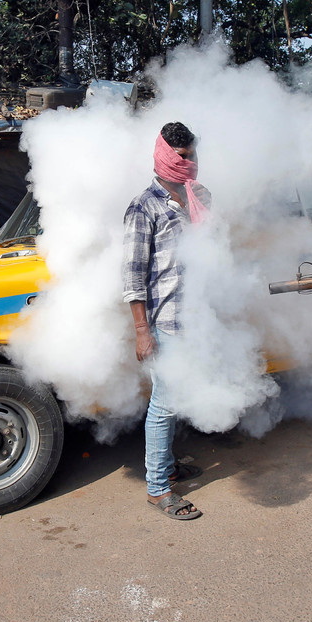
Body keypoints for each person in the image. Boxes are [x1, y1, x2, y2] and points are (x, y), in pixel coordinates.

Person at [123, 122, 210, 520]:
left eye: (193, 155)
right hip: (167, 322)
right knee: (165, 402)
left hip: (197, 318)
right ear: (165, 158)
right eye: (183, 157)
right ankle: (158, 489)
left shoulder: (201, 196)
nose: (191, 163)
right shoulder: (144, 206)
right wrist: (142, 332)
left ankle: (168, 468)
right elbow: (133, 274)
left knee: (176, 400)